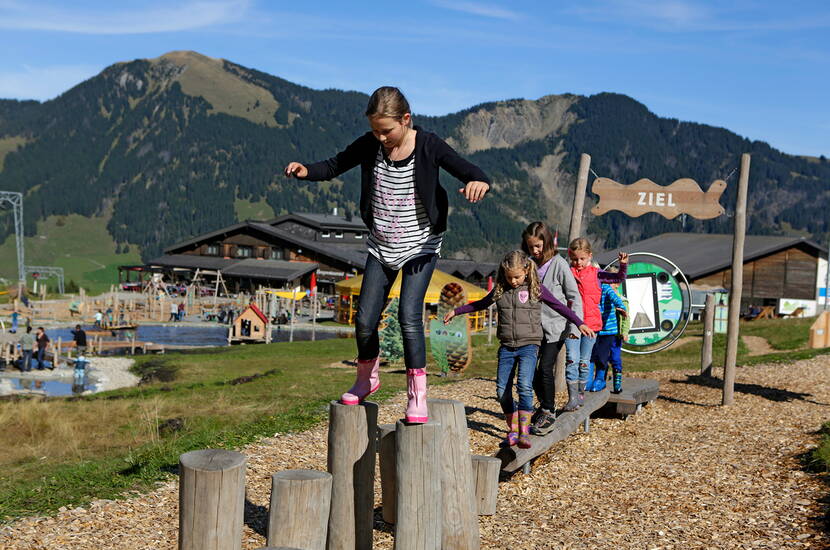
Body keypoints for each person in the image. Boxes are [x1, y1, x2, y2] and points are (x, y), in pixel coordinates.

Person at [284, 86, 490, 423]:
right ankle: (367, 379)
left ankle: (417, 397)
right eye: (375, 130)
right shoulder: (370, 145)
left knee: (409, 316)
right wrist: (306, 170)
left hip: (421, 247)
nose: (380, 138)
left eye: (387, 130)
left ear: (406, 120)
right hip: (382, 246)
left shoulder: (428, 145)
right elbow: (335, 164)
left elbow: (467, 169)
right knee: (365, 319)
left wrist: (478, 182)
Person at [444, 250, 593, 448]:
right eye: (509, 277)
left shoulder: (535, 288)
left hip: (529, 345)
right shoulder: (500, 289)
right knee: (501, 392)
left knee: (524, 385)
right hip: (507, 347)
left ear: (525, 270)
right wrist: (456, 311)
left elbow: (560, 306)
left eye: (517, 277)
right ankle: (513, 429)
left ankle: (523, 432)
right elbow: (481, 304)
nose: (513, 281)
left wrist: (579, 322)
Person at [521, 221, 583, 436]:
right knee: (531, 372)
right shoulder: (528, 264)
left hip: (556, 327)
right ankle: (544, 404)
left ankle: (549, 409)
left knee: (546, 368)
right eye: (531, 247)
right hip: (532, 327)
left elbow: (574, 296)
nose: (535, 251)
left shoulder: (558, 264)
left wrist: (576, 324)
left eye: (538, 246)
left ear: (546, 243)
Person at [565, 238, 628, 411]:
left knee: (586, 360)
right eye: (574, 259)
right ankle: (572, 397)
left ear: (589, 256)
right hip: (573, 323)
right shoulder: (568, 273)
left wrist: (623, 265)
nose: (578, 263)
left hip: (591, 325)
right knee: (572, 359)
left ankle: (581, 393)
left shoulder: (597, 274)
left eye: (582, 259)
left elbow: (618, 277)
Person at [585, 282, 627, 393]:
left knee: (602, 356)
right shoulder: (588, 288)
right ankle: (588, 380)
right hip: (593, 327)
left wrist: (621, 306)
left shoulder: (605, 288)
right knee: (590, 354)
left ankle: (600, 380)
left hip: (608, 329)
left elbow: (614, 297)